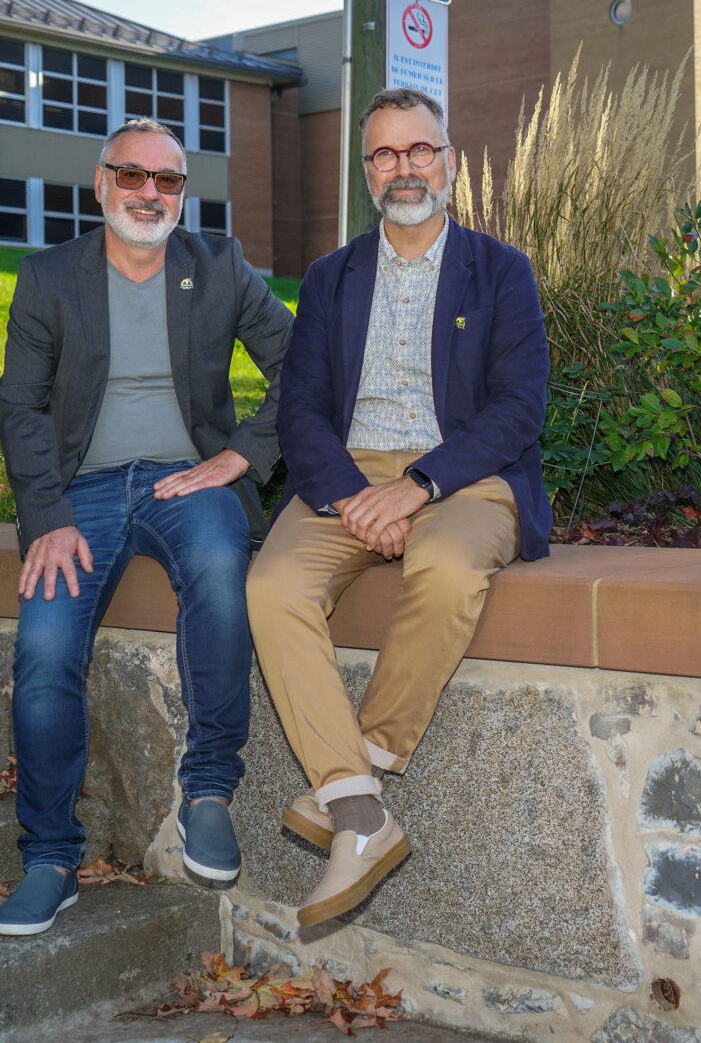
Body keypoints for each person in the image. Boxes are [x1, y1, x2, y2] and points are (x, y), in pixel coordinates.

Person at [246, 87, 550, 928]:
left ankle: (357, 772)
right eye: (384, 153)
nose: (404, 166)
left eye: (420, 150)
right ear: (367, 171)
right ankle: (361, 812)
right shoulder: (329, 277)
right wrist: (352, 496)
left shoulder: (501, 270)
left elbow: (520, 408)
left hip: (462, 474)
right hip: (345, 475)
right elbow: (301, 406)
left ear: (448, 160)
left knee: (448, 566)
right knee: (271, 589)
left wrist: (416, 487)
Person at [0, 117, 292, 936]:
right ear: (101, 184)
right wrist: (46, 514)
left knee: (221, 570)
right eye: (133, 176)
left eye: (167, 181)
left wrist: (241, 458)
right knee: (47, 647)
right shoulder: (51, 277)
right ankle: (51, 858)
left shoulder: (220, 266)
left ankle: (208, 791)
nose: (150, 194)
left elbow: (303, 365)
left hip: (185, 479)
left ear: (183, 195)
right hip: (79, 490)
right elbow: (19, 405)